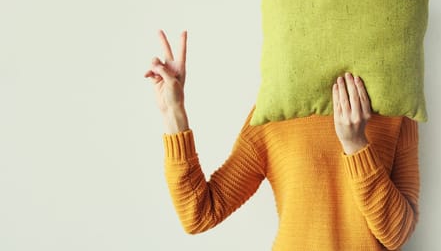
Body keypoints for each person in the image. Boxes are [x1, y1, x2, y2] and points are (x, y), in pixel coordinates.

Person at [144, 29, 420, 250]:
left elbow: (397, 234)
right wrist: (173, 112)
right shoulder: (275, 112)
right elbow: (198, 214)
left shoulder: (396, 110)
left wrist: (356, 144)